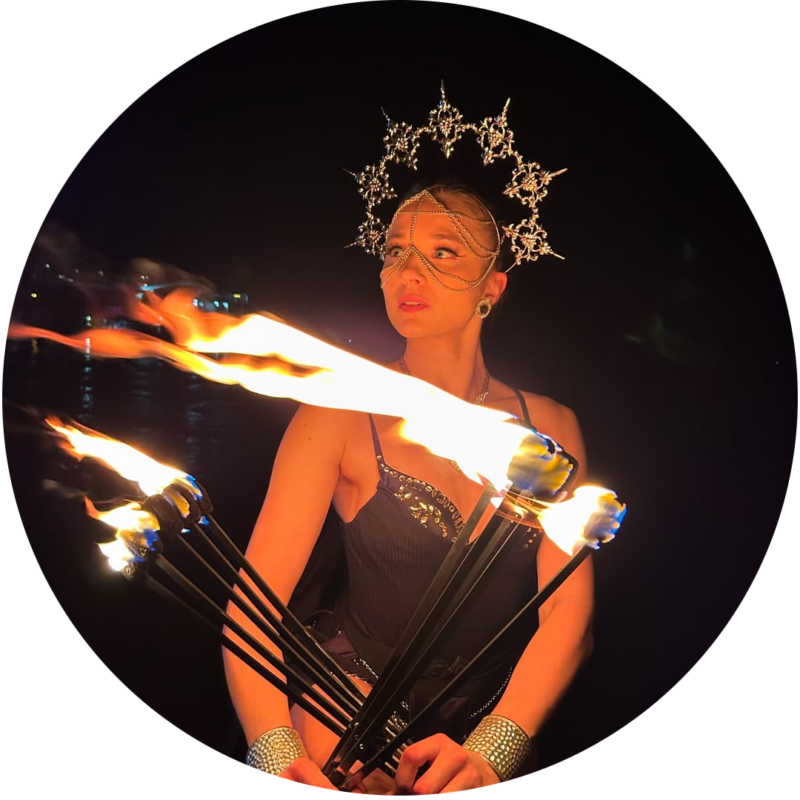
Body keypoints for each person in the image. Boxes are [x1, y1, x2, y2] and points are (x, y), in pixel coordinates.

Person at [223, 90, 617, 793]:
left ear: (493, 286)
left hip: (489, 723)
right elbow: (251, 608)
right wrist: (277, 757)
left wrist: (493, 750)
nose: (410, 271)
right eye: (396, 251)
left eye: (443, 252)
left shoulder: (550, 427)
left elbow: (568, 611)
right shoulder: (337, 414)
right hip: (344, 719)